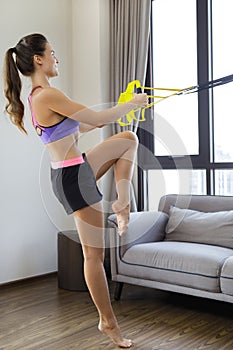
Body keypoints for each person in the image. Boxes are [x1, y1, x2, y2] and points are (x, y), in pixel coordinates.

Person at [3, 33, 148, 348]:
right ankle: (107, 323)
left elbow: (87, 124)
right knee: (93, 256)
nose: (57, 59)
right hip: (72, 177)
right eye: (53, 53)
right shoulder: (43, 96)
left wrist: (118, 110)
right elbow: (96, 117)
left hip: (77, 167)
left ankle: (122, 204)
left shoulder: (46, 95)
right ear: (38, 59)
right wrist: (130, 104)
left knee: (128, 140)